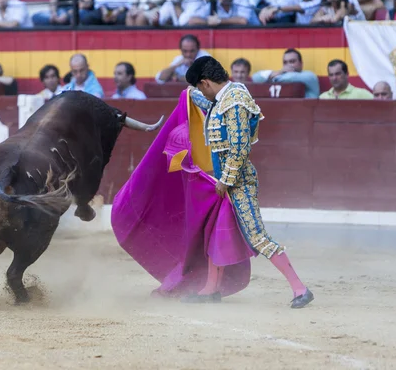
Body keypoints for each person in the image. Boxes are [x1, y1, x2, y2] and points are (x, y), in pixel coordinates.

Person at [111, 56, 314, 309]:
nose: (199, 92)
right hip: (221, 181)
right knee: (212, 232)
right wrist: (189, 92)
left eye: (199, 87)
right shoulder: (221, 99)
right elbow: (205, 103)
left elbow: (239, 148)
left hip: (237, 183)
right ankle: (210, 288)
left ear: (206, 83)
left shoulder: (236, 101)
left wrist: (226, 181)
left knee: (256, 235)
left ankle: (300, 288)